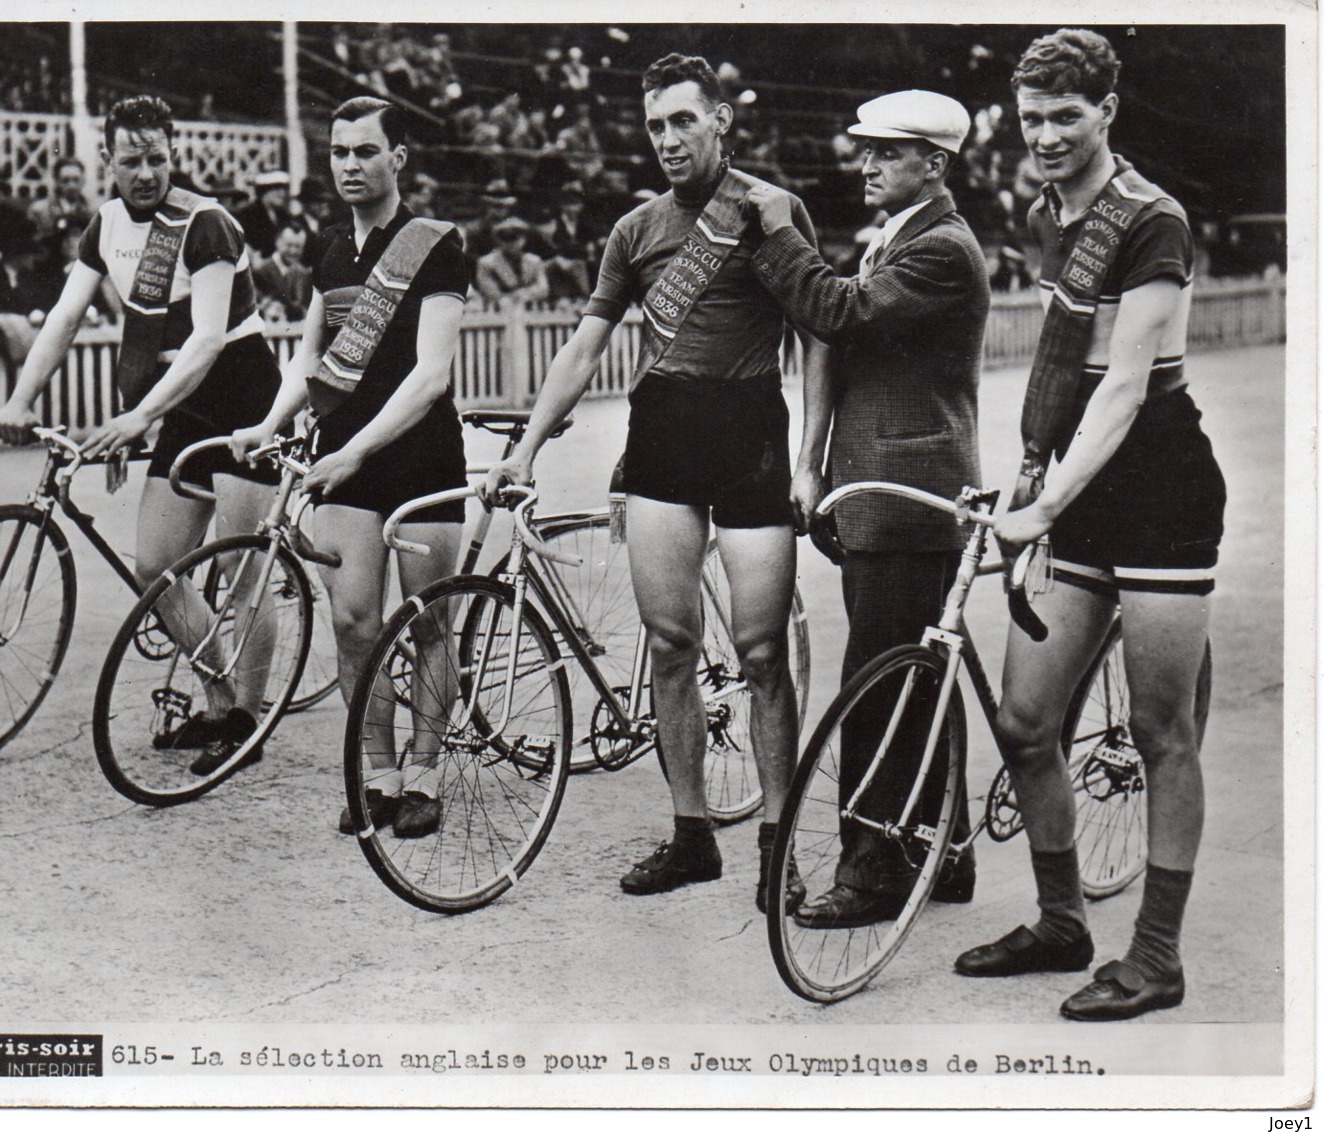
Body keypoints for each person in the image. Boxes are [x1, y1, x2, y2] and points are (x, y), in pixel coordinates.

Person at [485, 53, 823, 910]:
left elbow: (820, 334)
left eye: (683, 121)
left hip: (751, 434)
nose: (668, 140)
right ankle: (691, 835)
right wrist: (524, 447)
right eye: (655, 126)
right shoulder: (634, 231)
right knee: (670, 644)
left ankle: (778, 842)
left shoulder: (770, 211)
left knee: (759, 651)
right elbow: (584, 346)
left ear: (721, 122)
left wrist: (813, 456)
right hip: (663, 437)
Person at [953, 29, 1225, 1022]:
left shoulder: (1151, 219)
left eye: (1065, 116)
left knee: (1161, 731)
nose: (1045, 135)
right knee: (1025, 721)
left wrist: (1043, 509)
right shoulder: (1042, 214)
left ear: (1106, 111)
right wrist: (1027, 477)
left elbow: (1120, 389)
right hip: (1075, 485)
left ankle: (1154, 957)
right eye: (1030, 119)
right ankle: (1061, 920)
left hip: (1157, 492)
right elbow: (1059, 373)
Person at [744, 89, 989, 928]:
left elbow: (836, 312)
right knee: (919, 678)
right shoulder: (902, 238)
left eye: (887, 152)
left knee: (877, 686)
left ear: (935, 164)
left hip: (911, 502)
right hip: (891, 497)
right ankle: (943, 847)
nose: (868, 164)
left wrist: (778, 232)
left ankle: (872, 870)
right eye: (867, 150)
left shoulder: (943, 250)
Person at [0, 95, 283, 772]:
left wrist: (137, 417)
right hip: (177, 402)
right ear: (108, 161)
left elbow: (208, 339)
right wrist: (20, 397)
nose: (146, 172)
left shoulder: (206, 224)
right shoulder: (106, 225)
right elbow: (65, 318)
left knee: (241, 574)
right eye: (131, 160)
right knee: (156, 567)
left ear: (174, 153)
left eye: (158, 158)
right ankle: (216, 700)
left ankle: (247, 720)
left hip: (241, 396)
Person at [230, 96, 471, 839]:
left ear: (398, 158)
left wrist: (356, 446)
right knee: (353, 619)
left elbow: (432, 374)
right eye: (339, 152)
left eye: (365, 151)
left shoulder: (436, 244)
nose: (349, 166)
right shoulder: (331, 251)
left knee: (429, 622)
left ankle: (427, 777)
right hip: (345, 461)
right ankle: (381, 775)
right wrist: (269, 424)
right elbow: (311, 358)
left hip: (420, 454)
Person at [473, 217, 550, 306]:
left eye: (515, 239)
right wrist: (510, 298)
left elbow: (543, 288)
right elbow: (489, 290)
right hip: (499, 307)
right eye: (506, 239)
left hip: (529, 305)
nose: (511, 244)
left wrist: (525, 294)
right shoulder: (486, 263)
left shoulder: (534, 260)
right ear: (499, 241)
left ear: (523, 240)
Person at [251, 220, 312, 322]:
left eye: (298, 247)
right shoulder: (260, 271)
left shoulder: (303, 273)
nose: (293, 251)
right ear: (277, 242)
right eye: (288, 245)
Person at [28, 156, 97, 245]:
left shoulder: (93, 210)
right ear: (57, 181)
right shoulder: (40, 210)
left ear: (83, 181)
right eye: (65, 180)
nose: (71, 186)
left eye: (76, 180)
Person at [236, 170, 291, 264]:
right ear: (264, 191)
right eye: (277, 189)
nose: (282, 194)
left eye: (283, 189)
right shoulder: (248, 215)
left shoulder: (284, 216)